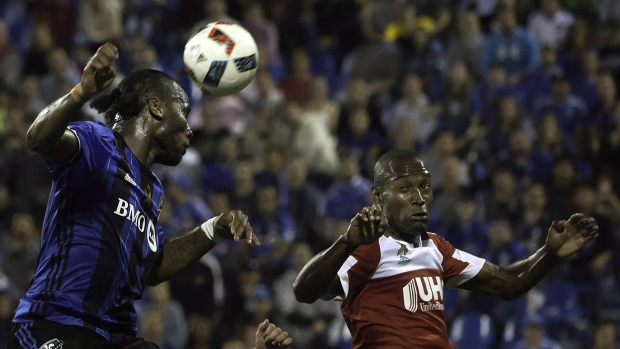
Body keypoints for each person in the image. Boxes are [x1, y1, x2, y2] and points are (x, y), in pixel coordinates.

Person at [8, 43, 259, 349]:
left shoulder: (154, 189)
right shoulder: (99, 142)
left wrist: (213, 229)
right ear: (156, 107)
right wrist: (80, 93)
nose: (190, 129)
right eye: (184, 110)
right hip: (58, 324)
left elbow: (151, 268)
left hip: (118, 337)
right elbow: (38, 139)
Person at [293, 149, 599, 348]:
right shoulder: (367, 249)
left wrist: (549, 253)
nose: (419, 197)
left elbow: (507, 283)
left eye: (424, 186)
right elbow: (303, 292)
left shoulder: (437, 248)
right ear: (377, 195)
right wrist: (345, 242)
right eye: (404, 188)